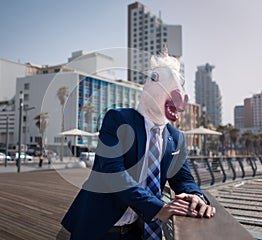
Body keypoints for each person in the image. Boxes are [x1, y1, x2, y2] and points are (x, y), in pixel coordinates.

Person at [61, 47, 216, 240]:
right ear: (147, 86)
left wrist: (196, 197)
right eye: (155, 78)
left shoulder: (176, 138)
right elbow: (112, 172)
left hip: (136, 231)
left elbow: (183, 179)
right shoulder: (117, 119)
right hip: (98, 228)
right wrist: (157, 208)